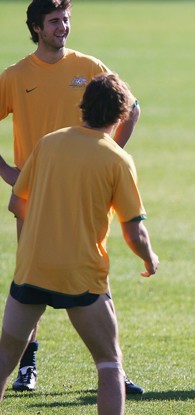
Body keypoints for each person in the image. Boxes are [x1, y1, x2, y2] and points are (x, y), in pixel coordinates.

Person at [0, 0, 143, 393]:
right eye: (54, 21)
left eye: (66, 19)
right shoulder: (15, 76)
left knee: (95, 274)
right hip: (36, 196)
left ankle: (114, 367)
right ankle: (27, 365)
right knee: (31, 279)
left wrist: (111, 154)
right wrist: (10, 173)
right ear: (36, 27)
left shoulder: (90, 67)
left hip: (86, 197)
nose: (62, 27)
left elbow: (131, 108)